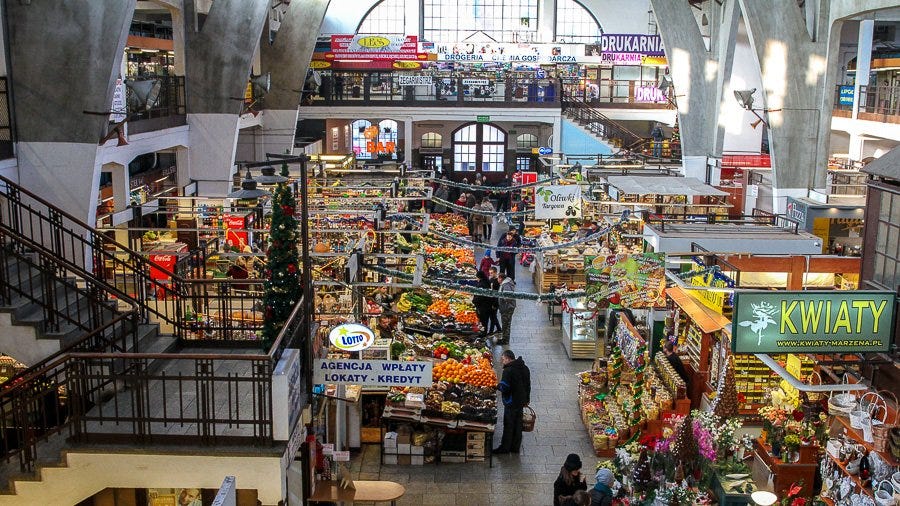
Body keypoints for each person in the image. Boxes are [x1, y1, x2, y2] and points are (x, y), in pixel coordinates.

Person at [494, 349, 530, 454]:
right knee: (518, 425)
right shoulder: (525, 368)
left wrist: (496, 386)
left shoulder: (508, 370)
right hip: (521, 401)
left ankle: (505, 448)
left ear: (508, 359)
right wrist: (527, 399)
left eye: (503, 359)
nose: (502, 361)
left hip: (511, 402)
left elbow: (505, 387)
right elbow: (528, 385)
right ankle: (515, 447)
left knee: (509, 425)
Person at [496, 272, 516, 344]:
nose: (497, 280)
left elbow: (508, 297)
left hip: (507, 308)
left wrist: (503, 298)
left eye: (498, 278)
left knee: (506, 324)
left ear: (501, 278)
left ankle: (505, 340)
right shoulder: (505, 283)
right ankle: (504, 338)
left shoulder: (506, 285)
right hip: (506, 307)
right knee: (505, 324)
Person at [472, 270, 493, 337]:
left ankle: (482, 335)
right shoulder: (487, 282)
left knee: (482, 321)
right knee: (485, 322)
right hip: (487, 306)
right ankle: (484, 333)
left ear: (479, 277)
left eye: (477, 277)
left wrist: (474, 301)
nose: (476, 279)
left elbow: (480, 297)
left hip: (483, 307)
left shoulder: (481, 285)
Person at [487, 265, 502, 335]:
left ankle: (491, 331)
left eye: (492, 273)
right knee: (493, 316)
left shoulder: (498, 281)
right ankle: (499, 329)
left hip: (495, 302)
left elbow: (498, 294)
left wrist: (494, 304)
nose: (490, 274)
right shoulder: (490, 280)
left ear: (496, 272)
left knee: (493, 316)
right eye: (490, 273)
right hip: (490, 301)